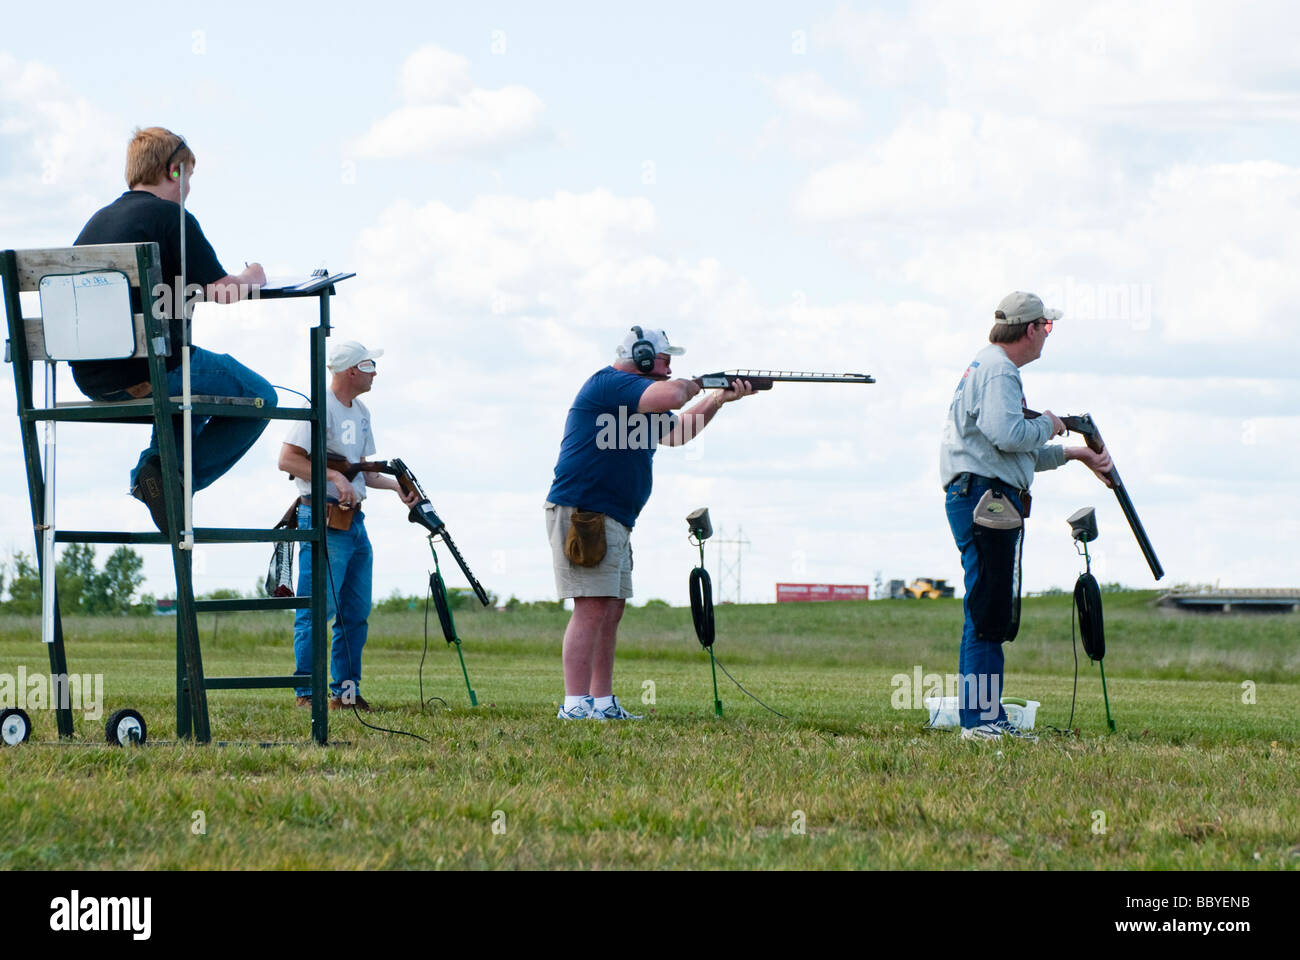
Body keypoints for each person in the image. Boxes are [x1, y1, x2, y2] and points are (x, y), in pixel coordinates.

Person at [545, 327, 757, 720]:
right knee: (590, 608)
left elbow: (678, 433)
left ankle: (602, 703)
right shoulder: (611, 384)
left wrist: (718, 398)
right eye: (663, 359)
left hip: (614, 518)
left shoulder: (642, 401)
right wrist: (697, 383)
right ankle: (575, 705)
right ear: (642, 357)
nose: (669, 367)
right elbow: (675, 393)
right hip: (585, 513)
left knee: (610, 609)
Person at [72, 126, 274, 536]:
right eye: (189, 177)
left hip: (92, 379)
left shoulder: (96, 223)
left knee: (188, 394)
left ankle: (160, 471)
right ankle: (167, 479)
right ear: (174, 171)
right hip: (150, 373)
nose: (189, 190)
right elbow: (224, 292)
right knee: (259, 397)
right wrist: (253, 276)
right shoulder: (169, 218)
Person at [940, 291, 1114, 742]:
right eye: (1047, 327)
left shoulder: (988, 365)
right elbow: (1010, 433)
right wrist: (1052, 423)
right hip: (986, 498)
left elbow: (1012, 451)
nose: (1048, 336)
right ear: (1031, 328)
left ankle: (987, 717)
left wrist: (1073, 453)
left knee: (989, 608)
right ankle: (979, 723)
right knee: (987, 612)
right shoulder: (1000, 371)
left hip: (983, 492)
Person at [279, 341, 418, 712]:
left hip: (355, 522)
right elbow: (288, 460)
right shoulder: (317, 408)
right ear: (351, 371)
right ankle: (306, 694)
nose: (376, 371)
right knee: (315, 610)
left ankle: (346, 693)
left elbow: (361, 470)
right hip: (322, 518)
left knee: (354, 613)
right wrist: (333, 479)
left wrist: (394, 486)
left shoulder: (361, 411)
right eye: (370, 364)